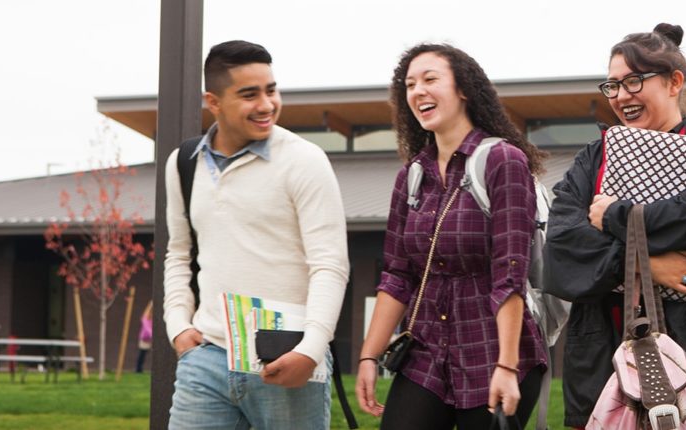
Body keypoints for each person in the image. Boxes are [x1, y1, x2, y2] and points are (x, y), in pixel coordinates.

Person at [544, 23, 686, 429]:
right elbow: (562, 245)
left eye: (633, 81)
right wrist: (644, 266)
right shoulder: (593, 159)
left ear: (674, 82)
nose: (620, 96)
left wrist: (617, 216)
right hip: (602, 361)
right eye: (612, 85)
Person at [355, 43, 550, 430]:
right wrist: (368, 357)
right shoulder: (411, 176)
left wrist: (506, 366)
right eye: (410, 85)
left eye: (430, 79)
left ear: (463, 89)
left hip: (494, 351)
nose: (418, 91)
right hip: (425, 352)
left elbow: (509, 274)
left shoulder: (503, 161)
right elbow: (397, 275)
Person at [162, 40, 350, 429]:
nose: (266, 105)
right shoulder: (183, 163)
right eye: (249, 95)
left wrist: (312, 351)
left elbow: (330, 265)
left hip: (288, 356)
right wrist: (178, 324)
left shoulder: (305, 160)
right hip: (207, 359)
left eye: (271, 90)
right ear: (213, 102)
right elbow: (179, 253)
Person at [135, 305, 152, 373]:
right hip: (145, 339)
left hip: (150, 339)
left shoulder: (151, 319)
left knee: (144, 354)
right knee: (142, 354)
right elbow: (147, 328)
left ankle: (139, 368)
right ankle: (138, 369)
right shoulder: (145, 319)